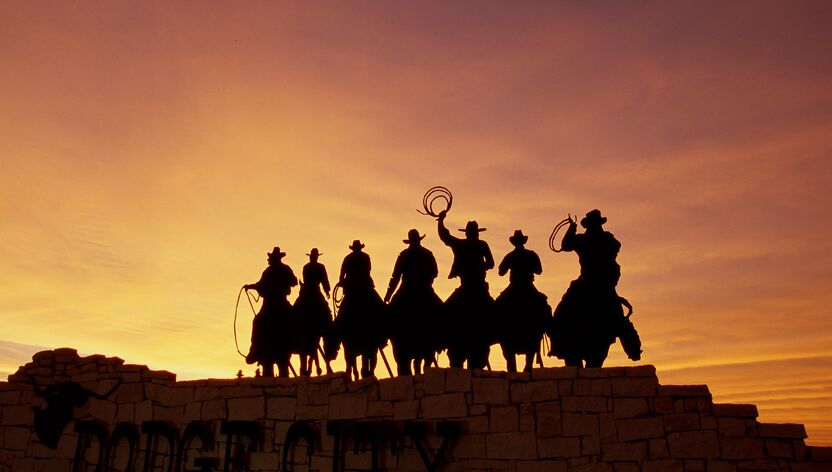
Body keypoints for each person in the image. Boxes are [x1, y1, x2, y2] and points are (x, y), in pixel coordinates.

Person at [548, 210, 641, 367]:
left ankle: (558, 343)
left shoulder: (586, 240)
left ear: (588, 225)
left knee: (561, 313)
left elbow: (565, 245)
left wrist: (572, 228)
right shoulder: (609, 240)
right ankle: (634, 349)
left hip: (590, 284)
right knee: (620, 320)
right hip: (603, 286)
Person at [437, 209, 495, 369]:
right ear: (475, 233)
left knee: (444, 312)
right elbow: (491, 263)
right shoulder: (481, 245)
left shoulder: (463, 245)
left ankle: (440, 338)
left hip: (468, 288)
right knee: (495, 312)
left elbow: (445, 237)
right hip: (478, 288)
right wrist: (481, 266)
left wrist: (441, 221)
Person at [384, 229, 443, 375]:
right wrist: (427, 280)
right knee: (442, 311)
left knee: (388, 313)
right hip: (424, 290)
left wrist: (388, 296)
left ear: (410, 241)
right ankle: (441, 340)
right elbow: (435, 272)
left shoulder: (404, 255)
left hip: (407, 290)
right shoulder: (427, 254)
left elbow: (395, 277)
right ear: (418, 240)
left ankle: (384, 335)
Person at [495, 230, 551, 372]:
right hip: (528, 287)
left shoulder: (510, 255)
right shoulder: (531, 254)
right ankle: (548, 331)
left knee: (497, 307)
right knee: (544, 306)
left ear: (514, 242)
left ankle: (496, 332)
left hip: (514, 287)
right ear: (523, 242)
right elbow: (539, 270)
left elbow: (501, 272)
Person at [335, 240, 387, 379]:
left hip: (353, 291)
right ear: (359, 248)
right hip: (365, 290)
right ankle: (382, 336)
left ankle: (337, 338)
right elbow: (367, 271)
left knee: (340, 318)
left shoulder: (348, 258)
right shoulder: (365, 257)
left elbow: (342, 274)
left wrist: (342, 281)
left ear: (353, 248)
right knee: (382, 309)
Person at [244, 247, 298, 377]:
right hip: (271, 303)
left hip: (278, 302)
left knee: (260, 321)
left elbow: (294, 281)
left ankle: (297, 344)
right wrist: (251, 286)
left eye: (272, 258)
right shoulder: (268, 271)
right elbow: (260, 284)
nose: (271, 260)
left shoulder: (284, 269)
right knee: (258, 321)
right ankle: (255, 349)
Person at [293, 248, 334, 376]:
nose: (313, 258)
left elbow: (313, 281)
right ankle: (329, 336)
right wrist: (327, 290)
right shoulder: (320, 267)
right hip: (314, 293)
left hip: (306, 293)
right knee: (327, 314)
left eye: (313, 256)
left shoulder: (306, 267)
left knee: (294, 312)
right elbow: (325, 281)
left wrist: (326, 289)